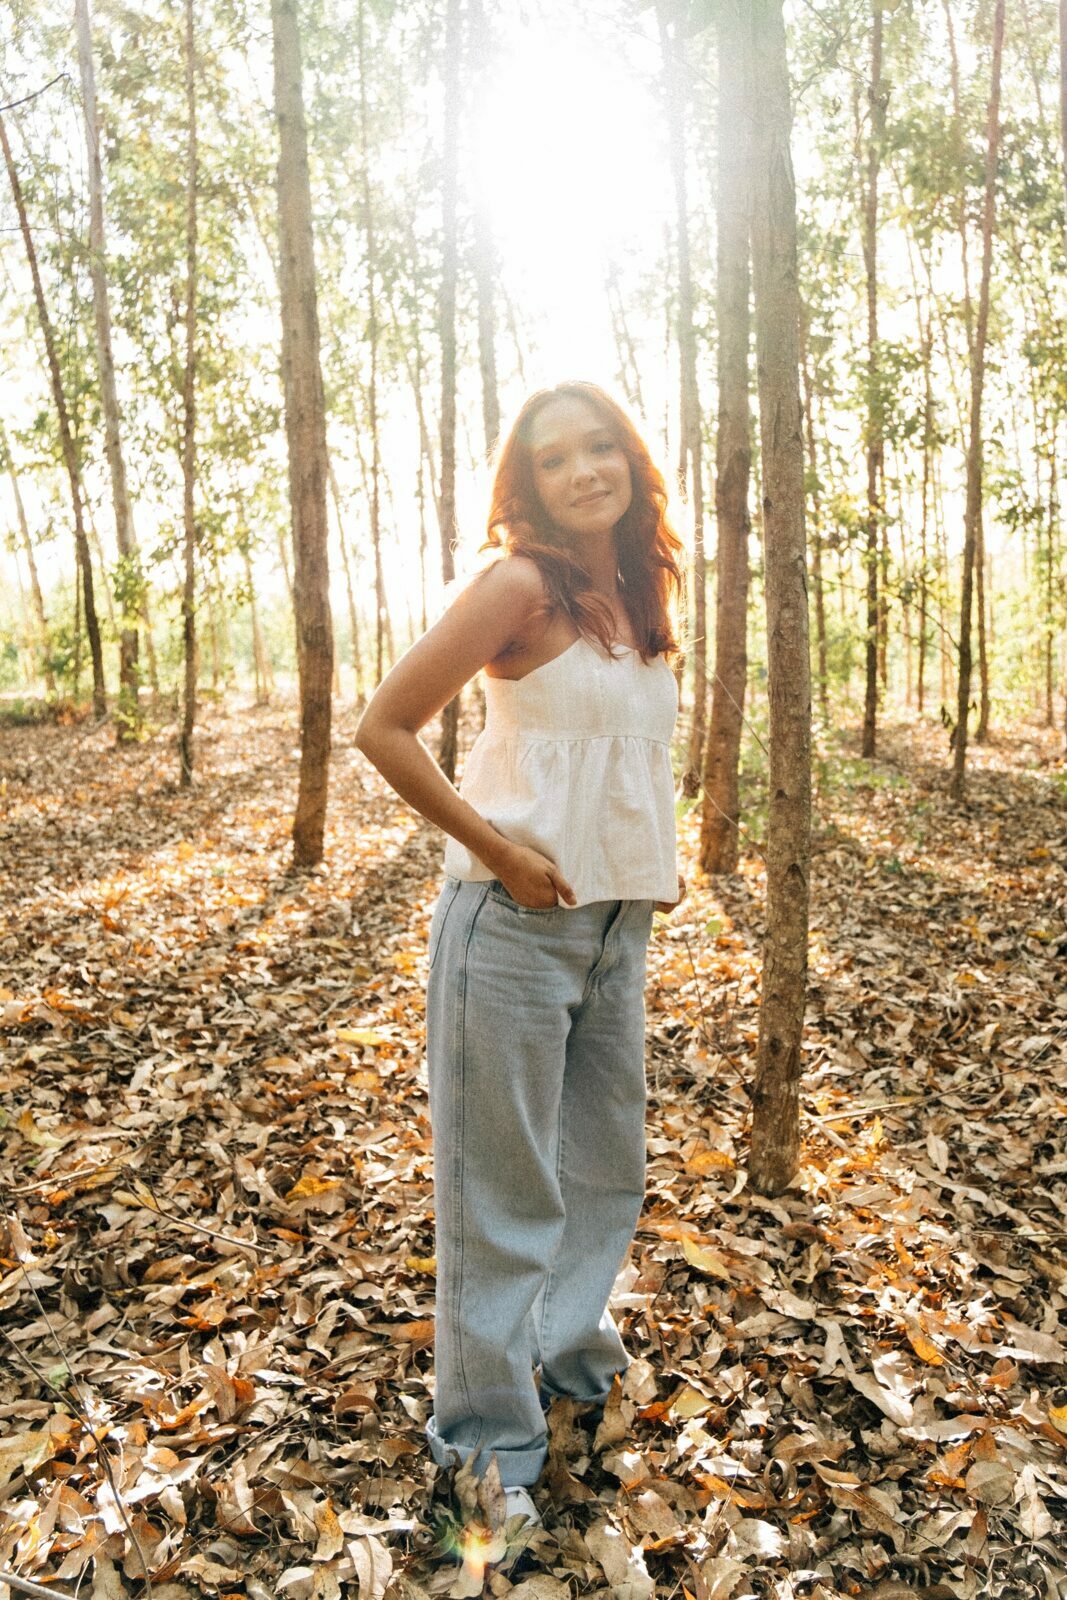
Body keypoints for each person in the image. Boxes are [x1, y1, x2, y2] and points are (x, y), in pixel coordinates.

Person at [354, 380, 686, 1540]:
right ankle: (486, 1445)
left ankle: (570, 1354)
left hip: (615, 928)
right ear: (528, 483)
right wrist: (496, 848)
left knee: (602, 1167)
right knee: (500, 1190)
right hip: (508, 927)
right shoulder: (517, 585)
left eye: (601, 446)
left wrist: (646, 868)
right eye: (555, 458)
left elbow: (620, 756)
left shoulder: (636, 592)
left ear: (630, 459)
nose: (584, 469)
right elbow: (383, 727)